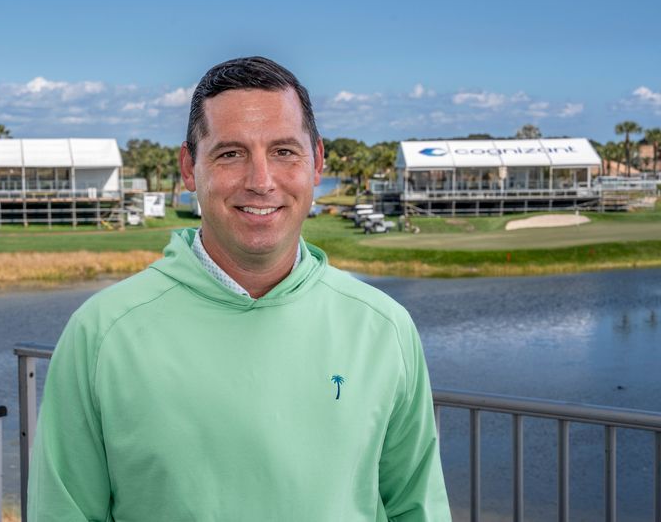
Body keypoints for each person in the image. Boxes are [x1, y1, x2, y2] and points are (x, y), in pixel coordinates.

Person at [28, 56, 450, 521]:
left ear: (317, 163)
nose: (261, 181)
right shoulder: (102, 334)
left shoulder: (383, 328)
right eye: (231, 153)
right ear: (190, 169)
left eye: (284, 151)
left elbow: (417, 507)